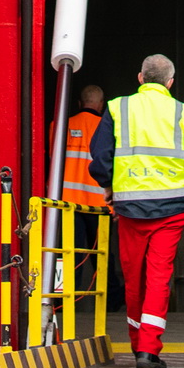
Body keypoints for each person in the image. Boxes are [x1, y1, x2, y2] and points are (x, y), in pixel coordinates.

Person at [90, 54, 184, 368]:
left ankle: (138, 346)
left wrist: (109, 185)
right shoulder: (182, 112)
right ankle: (148, 350)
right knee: (159, 277)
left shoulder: (118, 108)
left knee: (133, 278)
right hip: (172, 209)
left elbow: (99, 154)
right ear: (171, 82)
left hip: (130, 208)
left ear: (140, 78)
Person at [58, 83, 106, 291]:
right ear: (101, 105)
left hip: (67, 203)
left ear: (80, 103)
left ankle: (61, 300)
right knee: (102, 256)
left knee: (67, 254)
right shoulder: (106, 128)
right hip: (99, 204)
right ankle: (110, 302)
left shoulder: (59, 126)